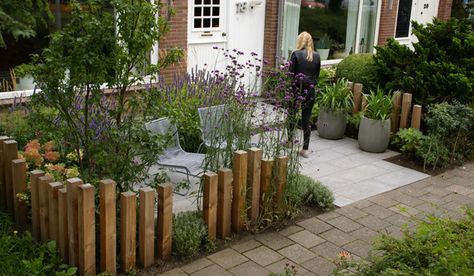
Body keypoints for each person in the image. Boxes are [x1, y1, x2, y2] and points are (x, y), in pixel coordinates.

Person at [288, 31, 321, 158]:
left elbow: (290, 73)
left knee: (291, 114)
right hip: (310, 90)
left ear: (299, 41)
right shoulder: (317, 56)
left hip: (296, 88)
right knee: (306, 119)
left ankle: (290, 141)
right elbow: (317, 75)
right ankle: (305, 149)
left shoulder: (295, 54)